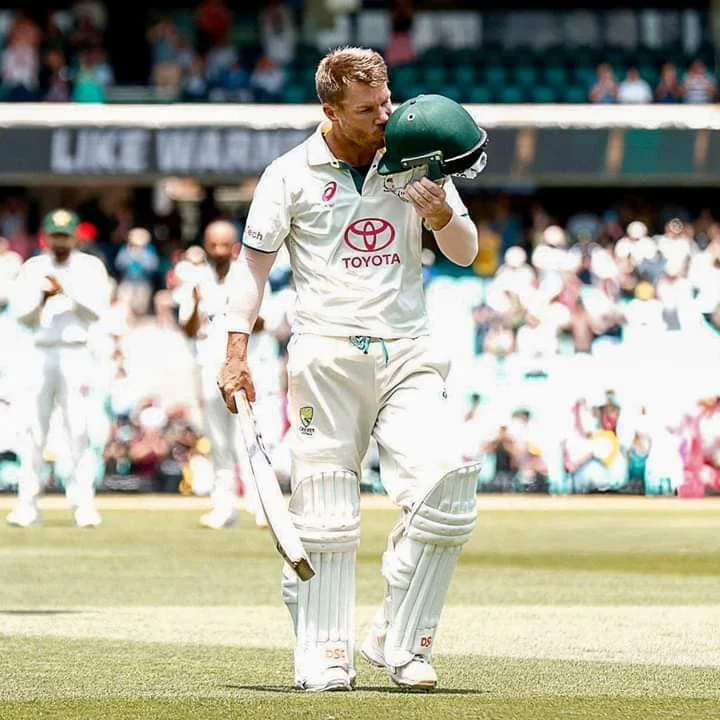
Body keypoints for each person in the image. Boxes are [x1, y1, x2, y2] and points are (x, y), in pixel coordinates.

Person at [218, 47, 481, 692]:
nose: (384, 115)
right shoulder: (288, 174)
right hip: (327, 354)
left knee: (449, 484)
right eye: (368, 109)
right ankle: (325, 652)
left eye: (386, 100)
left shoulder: (418, 155)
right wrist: (234, 351)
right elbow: (251, 268)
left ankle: (403, 638)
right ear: (329, 110)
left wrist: (441, 213)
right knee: (327, 512)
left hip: (409, 350)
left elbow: (466, 251)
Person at [6, 209, 110, 528]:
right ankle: (28, 504)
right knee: (32, 430)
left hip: (76, 352)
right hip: (40, 351)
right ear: (46, 237)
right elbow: (21, 314)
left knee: (78, 429)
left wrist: (67, 291)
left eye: (65, 236)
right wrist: (43, 296)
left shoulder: (90, 267)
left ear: (76, 236)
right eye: (55, 236)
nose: (60, 242)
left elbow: (96, 312)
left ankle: (83, 504)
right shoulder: (34, 267)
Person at [178, 220, 280, 528]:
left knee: (249, 441)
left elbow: (266, 323)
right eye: (214, 245)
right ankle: (224, 508)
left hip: (246, 367)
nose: (219, 251)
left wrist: (239, 309)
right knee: (219, 442)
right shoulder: (196, 280)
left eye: (225, 245)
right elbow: (188, 329)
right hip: (210, 367)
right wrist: (196, 303)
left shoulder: (249, 276)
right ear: (206, 246)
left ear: (234, 246)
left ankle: (263, 507)